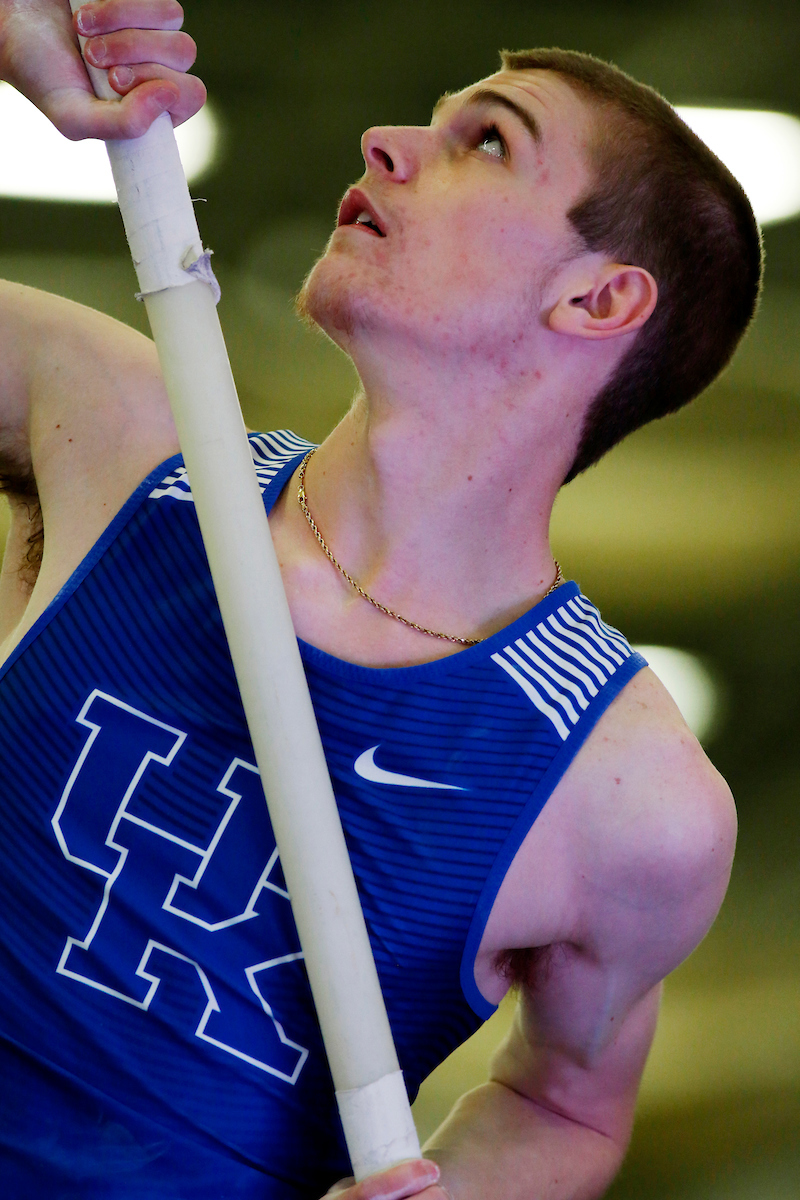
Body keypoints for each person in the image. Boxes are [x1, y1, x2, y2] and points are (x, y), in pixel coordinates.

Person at [0, 2, 761, 1197]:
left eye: (489, 142)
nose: (384, 141)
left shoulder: (627, 794)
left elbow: (561, 1105)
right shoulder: (114, 424)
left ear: (596, 303)